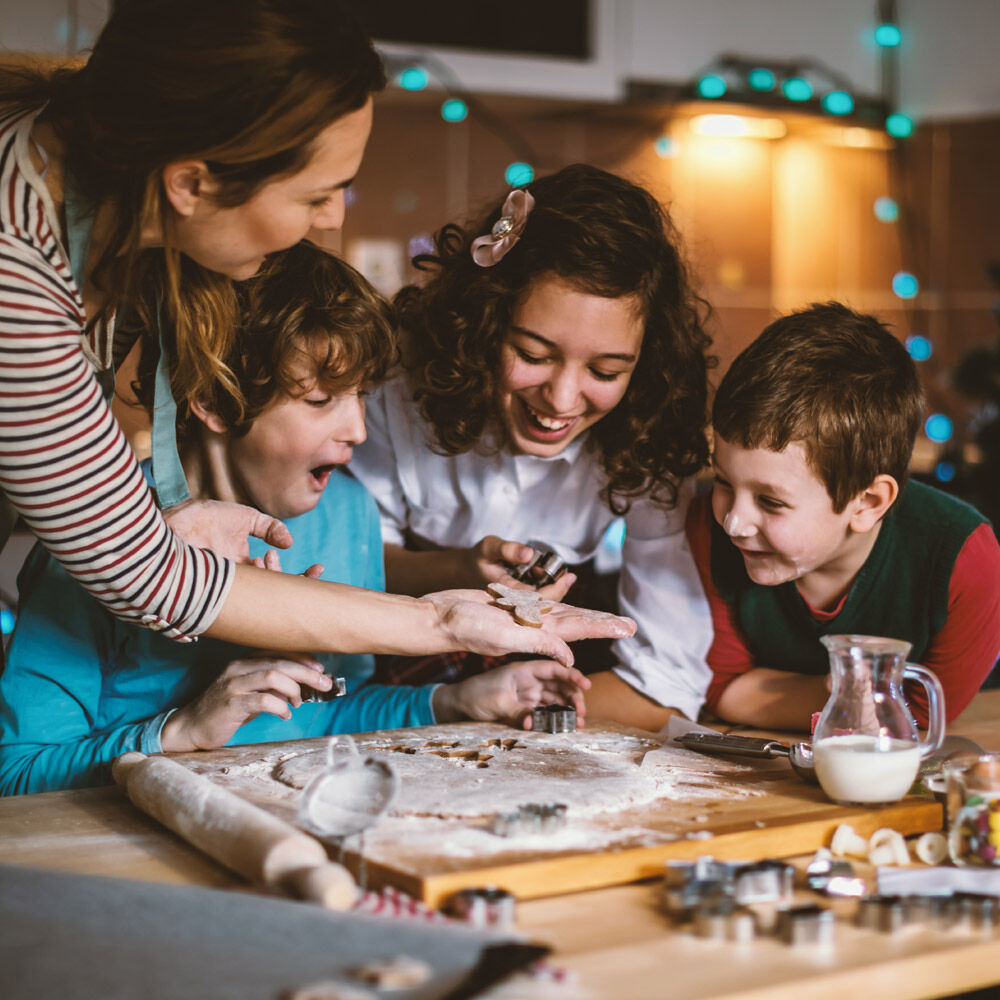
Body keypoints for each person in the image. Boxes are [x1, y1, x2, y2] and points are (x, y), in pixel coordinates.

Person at [0, 0, 630, 666]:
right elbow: (147, 577)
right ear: (190, 183)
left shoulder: (100, 190)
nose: (330, 221)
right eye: (314, 195)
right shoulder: (14, 277)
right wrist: (442, 621)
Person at [0, 243, 591, 795]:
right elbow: (16, 773)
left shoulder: (349, 512)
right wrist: (182, 732)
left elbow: (333, 711)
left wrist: (453, 701)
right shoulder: (101, 537)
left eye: (361, 395)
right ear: (213, 398)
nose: (357, 429)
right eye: (320, 400)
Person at [349, 164, 715, 728]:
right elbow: (352, 571)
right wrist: (462, 571)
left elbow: (668, 678)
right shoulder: (397, 396)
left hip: (539, 685)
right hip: (386, 685)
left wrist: (519, 712)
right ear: (484, 324)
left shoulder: (649, 439)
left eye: (606, 369)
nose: (563, 399)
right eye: (534, 355)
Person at [689, 302, 1000, 731]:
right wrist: (847, 696)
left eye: (771, 502)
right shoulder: (706, 527)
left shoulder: (967, 561)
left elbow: (920, 719)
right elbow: (718, 688)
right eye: (723, 481)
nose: (734, 522)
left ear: (868, 503)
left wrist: (803, 696)